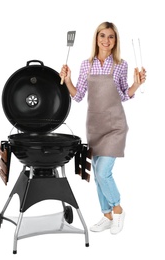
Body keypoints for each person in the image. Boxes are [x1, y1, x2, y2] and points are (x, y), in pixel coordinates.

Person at [60, 21, 146, 235]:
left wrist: (137, 85)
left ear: (115, 41)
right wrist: (68, 79)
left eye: (111, 36)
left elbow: (124, 94)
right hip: (94, 126)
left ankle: (118, 209)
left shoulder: (121, 64)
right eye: (102, 36)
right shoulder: (86, 64)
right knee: (97, 175)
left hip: (115, 125)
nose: (106, 40)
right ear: (96, 38)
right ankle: (107, 215)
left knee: (102, 171)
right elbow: (78, 95)